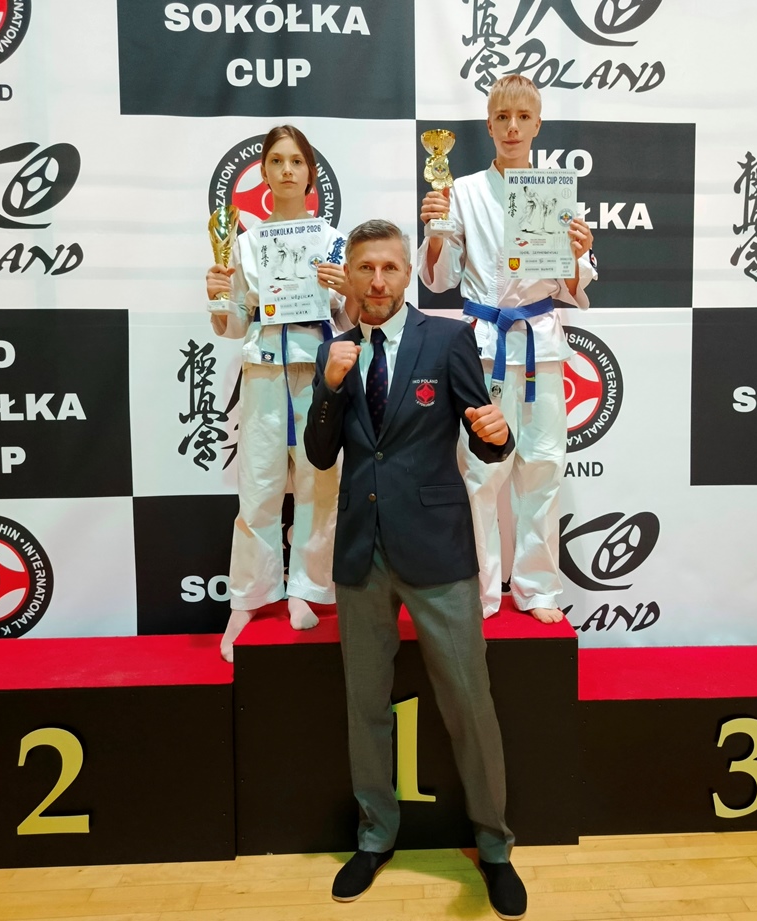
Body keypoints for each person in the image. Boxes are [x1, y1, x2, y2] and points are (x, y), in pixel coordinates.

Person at [304, 220, 528, 920]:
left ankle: (494, 847)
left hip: (436, 548)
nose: (377, 281)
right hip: (361, 553)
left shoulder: (447, 339)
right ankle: (375, 836)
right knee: (365, 705)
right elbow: (319, 454)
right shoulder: (335, 350)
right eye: (366, 268)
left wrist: (499, 439)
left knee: (469, 701)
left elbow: (484, 437)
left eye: (390, 268)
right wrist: (330, 388)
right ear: (349, 276)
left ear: (408, 274)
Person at [419, 75, 596, 625]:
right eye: (503, 117)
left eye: (523, 117)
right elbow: (440, 279)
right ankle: (480, 588)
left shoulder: (555, 193)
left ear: (538, 124)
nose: (513, 127)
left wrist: (578, 252)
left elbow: (571, 286)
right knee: (480, 473)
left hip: (540, 345)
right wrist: (437, 231)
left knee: (542, 466)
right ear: (489, 125)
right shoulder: (463, 192)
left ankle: (538, 588)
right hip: (483, 346)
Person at [206, 125, 356, 660]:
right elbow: (234, 324)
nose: (287, 170)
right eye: (277, 161)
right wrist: (219, 297)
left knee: (320, 484)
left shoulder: (334, 241)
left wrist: (346, 292)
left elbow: (351, 323)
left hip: (319, 372)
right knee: (258, 487)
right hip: (266, 372)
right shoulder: (244, 243)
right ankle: (247, 598)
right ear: (264, 172)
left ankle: (306, 590)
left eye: (296, 161)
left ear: (310, 172)